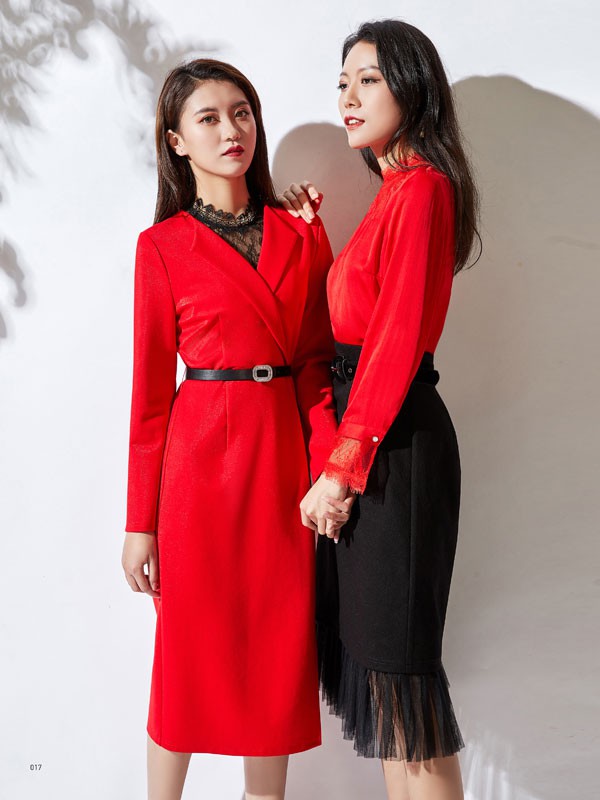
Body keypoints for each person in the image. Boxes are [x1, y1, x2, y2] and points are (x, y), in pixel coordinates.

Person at [120, 58, 346, 800]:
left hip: (281, 465)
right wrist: (140, 524)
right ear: (176, 141)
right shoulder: (161, 246)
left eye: (241, 112)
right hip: (197, 473)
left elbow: (315, 364)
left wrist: (327, 470)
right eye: (209, 118)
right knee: (185, 652)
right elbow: (149, 399)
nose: (231, 130)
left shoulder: (299, 232)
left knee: (277, 647)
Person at [281, 19, 480, 800]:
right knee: (387, 687)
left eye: (368, 79)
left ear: (413, 86)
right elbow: (352, 319)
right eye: (342, 82)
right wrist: (311, 239)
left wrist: (340, 471)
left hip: (392, 449)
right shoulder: (393, 194)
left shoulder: (424, 187)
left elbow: (393, 344)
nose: (349, 97)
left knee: (403, 683)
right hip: (373, 444)